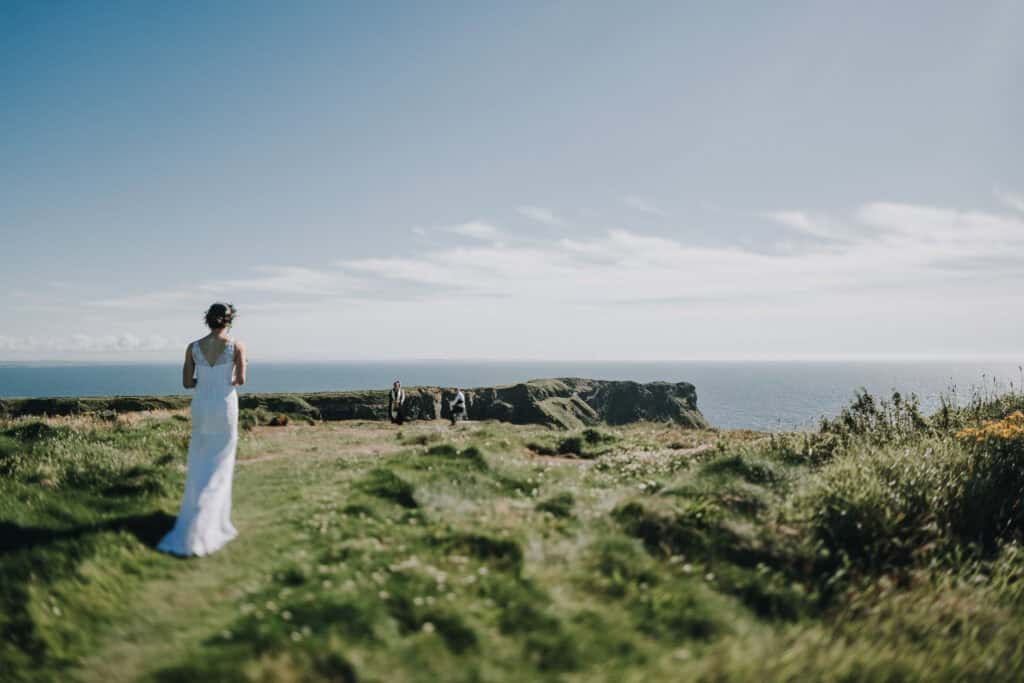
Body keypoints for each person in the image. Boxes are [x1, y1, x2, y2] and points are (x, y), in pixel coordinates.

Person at [158, 302, 247, 557]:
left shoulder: (193, 347)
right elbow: (239, 380)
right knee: (221, 462)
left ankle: (194, 518)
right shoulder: (236, 346)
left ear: (207, 320)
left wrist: (205, 380)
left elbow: (187, 383)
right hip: (224, 406)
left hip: (202, 407)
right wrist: (225, 377)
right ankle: (208, 524)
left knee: (199, 459)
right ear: (230, 321)